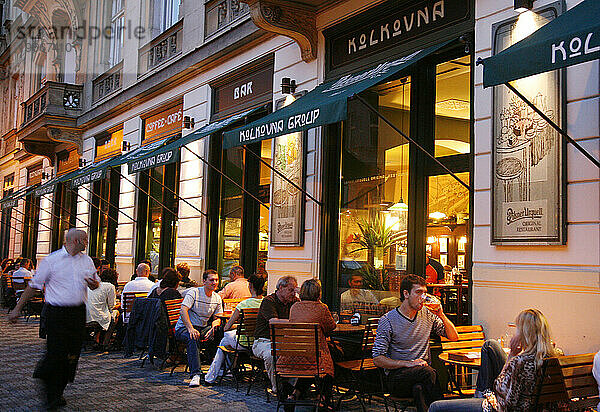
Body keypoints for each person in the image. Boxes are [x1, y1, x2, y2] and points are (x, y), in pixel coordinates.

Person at [8, 229, 99, 410]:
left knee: (72, 354)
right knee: (57, 353)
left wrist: (93, 284)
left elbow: (96, 284)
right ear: (75, 240)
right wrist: (17, 308)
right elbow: (33, 286)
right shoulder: (52, 260)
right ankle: (52, 395)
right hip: (56, 313)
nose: (87, 242)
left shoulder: (87, 260)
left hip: (77, 313)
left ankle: (55, 386)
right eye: (85, 239)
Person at [429, 308, 560, 412]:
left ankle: (480, 393)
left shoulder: (519, 362)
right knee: (490, 345)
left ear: (524, 333)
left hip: (498, 408)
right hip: (536, 407)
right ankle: (480, 393)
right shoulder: (555, 357)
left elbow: (504, 395)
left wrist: (511, 356)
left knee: (436, 407)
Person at [372, 274, 458, 412]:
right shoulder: (388, 320)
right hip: (397, 377)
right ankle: (443, 409)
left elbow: (453, 337)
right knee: (428, 373)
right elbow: (377, 359)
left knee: (419, 388)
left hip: (423, 374)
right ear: (406, 294)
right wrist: (408, 363)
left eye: (425, 293)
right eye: (418, 293)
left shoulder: (428, 314)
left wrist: (441, 314)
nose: (423, 297)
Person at [280, 278, 336, 403]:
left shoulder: (294, 307)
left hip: (293, 355)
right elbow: (330, 327)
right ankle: (322, 398)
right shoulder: (322, 308)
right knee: (329, 360)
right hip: (314, 356)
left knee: (309, 365)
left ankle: (295, 393)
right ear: (318, 293)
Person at [205, 273, 266, 383]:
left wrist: (238, 326)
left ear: (250, 286)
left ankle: (213, 376)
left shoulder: (244, 304)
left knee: (224, 339)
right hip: (260, 341)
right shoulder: (266, 303)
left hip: (245, 343)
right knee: (226, 339)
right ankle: (227, 370)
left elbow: (226, 327)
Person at [175, 269, 223, 388]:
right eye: (211, 280)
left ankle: (217, 369)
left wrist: (213, 327)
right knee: (193, 337)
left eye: (216, 280)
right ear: (204, 281)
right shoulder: (194, 293)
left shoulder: (217, 298)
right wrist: (190, 328)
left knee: (220, 332)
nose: (215, 283)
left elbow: (217, 318)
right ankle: (195, 374)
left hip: (203, 328)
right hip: (184, 327)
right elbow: (183, 310)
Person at [253, 275, 299, 393]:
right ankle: (277, 388)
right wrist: (295, 321)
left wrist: (302, 295)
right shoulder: (269, 301)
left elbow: (307, 309)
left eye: (295, 290)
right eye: (290, 290)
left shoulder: (294, 301)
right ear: (280, 288)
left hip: (285, 341)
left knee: (301, 353)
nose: (293, 293)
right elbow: (274, 322)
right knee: (271, 354)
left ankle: (291, 387)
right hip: (264, 341)